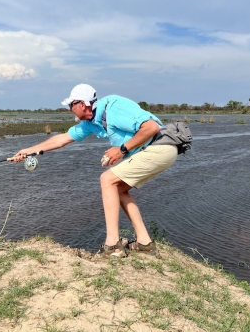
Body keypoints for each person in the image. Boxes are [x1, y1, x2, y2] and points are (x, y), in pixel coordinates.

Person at [10, 84, 178, 258]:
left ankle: (112, 245)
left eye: (71, 105)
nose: (70, 110)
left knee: (107, 179)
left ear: (82, 104)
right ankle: (145, 243)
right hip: (154, 151)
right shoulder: (91, 123)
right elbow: (62, 139)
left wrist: (120, 150)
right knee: (118, 188)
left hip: (160, 147)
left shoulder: (113, 107)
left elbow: (151, 128)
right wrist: (28, 150)